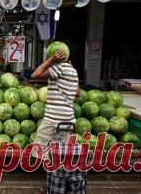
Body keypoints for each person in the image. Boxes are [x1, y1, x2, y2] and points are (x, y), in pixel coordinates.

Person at [31, 50, 85, 194]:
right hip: (69, 120)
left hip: (53, 120)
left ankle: (52, 186)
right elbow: (78, 93)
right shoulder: (72, 70)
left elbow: (35, 74)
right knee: (61, 154)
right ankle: (59, 186)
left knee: (42, 151)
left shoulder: (59, 67)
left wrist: (50, 60)